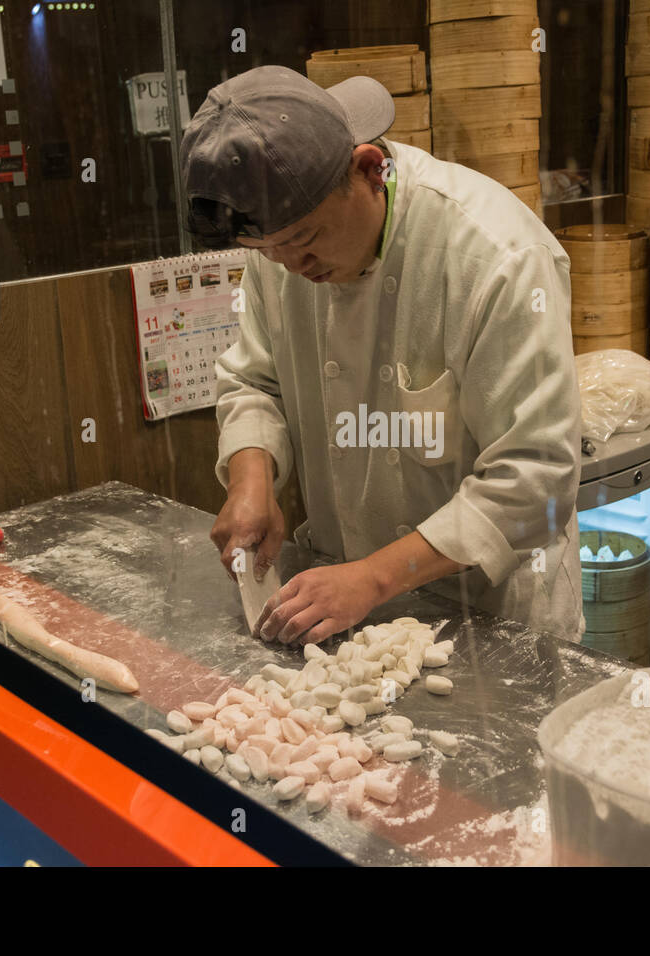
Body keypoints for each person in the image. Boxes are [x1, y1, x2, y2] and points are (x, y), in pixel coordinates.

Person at [180, 65, 583, 644]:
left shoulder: (497, 257)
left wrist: (372, 578)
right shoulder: (284, 238)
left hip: (490, 617)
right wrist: (252, 481)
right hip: (339, 601)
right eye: (267, 251)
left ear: (370, 169)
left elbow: (536, 476)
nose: (292, 267)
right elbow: (254, 381)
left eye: (305, 241)